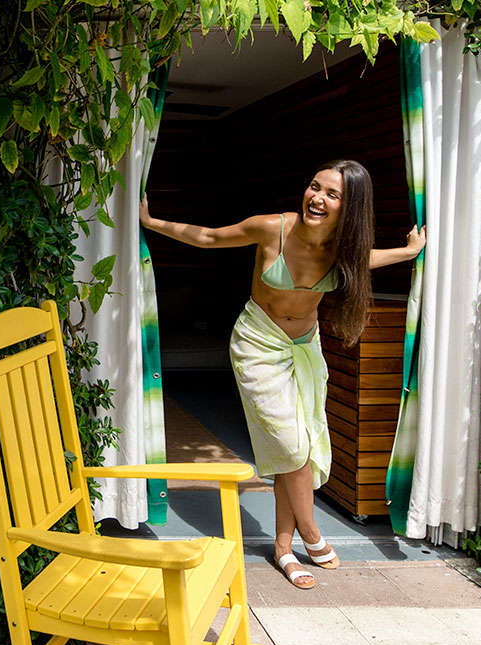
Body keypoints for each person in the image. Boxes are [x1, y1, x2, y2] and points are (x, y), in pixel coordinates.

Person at [140, 160, 424, 589]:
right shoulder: (273, 228)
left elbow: (365, 260)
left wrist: (406, 253)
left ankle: (284, 549)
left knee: (300, 446)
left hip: (306, 348)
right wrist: (149, 221)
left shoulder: (345, 248)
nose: (318, 198)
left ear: (350, 208)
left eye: (333, 194)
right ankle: (312, 532)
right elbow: (208, 237)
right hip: (257, 344)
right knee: (292, 446)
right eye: (315, 187)